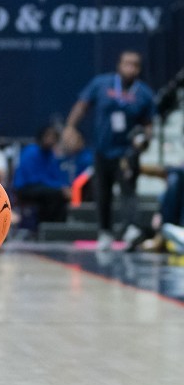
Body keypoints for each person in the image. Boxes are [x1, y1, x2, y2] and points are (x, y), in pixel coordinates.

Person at [63, 50, 155, 250]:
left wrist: (144, 140)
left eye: (134, 65)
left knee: (128, 190)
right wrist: (70, 127)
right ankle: (105, 232)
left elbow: (149, 125)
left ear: (138, 69)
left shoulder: (144, 93)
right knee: (102, 193)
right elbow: (81, 105)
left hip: (126, 153)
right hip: (103, 149)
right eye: (126, 63)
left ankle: (132, 228)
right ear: (119, 65)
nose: (129, 68)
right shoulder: (101, 84)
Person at [13, 124, 70, 226]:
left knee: (60, 196)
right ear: (41, 137)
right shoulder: (30, 152)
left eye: (53, 137)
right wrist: (59, 188)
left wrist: (63, 187)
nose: (51, 139)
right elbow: (34, 179)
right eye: (48, 136)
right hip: (25, 188)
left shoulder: (51, 154)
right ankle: (45, 226)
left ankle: (58, 227)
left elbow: (55, 176)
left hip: (43, 187)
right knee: (54, 194)